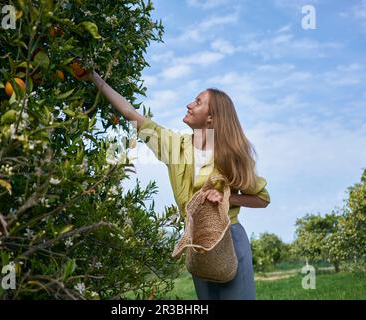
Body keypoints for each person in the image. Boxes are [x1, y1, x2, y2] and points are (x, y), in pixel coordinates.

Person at [78, 69, 270, 300]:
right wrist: (95, 77)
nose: (189, 105)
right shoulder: (173, 145)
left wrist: (227, 197)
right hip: (197, 241)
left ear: (211, 117)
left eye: (198, 102)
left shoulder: (228, 154)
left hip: (229, 237)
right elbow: (130, 113)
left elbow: (262, 199)